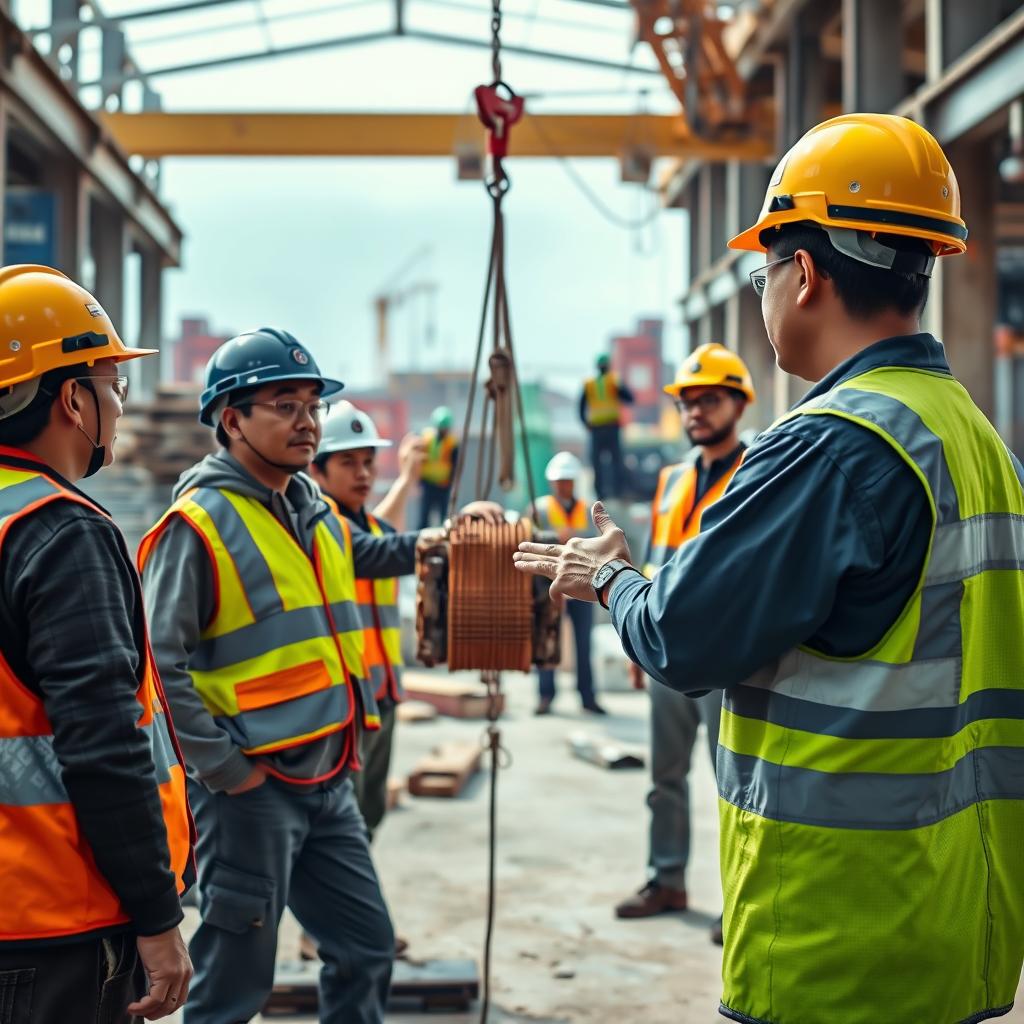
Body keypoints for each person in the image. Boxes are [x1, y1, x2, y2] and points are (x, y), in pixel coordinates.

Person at [515, 113, 1024, 1024]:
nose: (764, 292)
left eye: (764, 270)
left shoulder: (829, 448)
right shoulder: (977, 441)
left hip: (838, 937)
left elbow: (681, 637)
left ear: (807, 273)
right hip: (962, 924)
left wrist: (611, 578)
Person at [138, 328, 500, 1024]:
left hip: (329, 778)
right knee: (234, 985)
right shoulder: (199, 523)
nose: (307, 421)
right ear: (232, 419)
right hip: (252, 793)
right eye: (284, 404)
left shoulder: (315, 512)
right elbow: (160, 663)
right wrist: (223, 769)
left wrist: (443, 538)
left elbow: (368, 554)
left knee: (365, 950)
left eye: (312, 404)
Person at [0, 265, 194, 1023]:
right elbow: (104, 744)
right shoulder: (60, 531)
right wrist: (156, 915)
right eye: (111, 384)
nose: (119, 403)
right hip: (50, 929)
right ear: (71, 398)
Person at [615, 344, 753, 947]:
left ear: (739, 403)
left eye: (710, 399)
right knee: (663, 776)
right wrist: (636, 643)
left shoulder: (758, 472)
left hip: (725, 656)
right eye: (688, 401)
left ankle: (742, 902)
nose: (697, 410)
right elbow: (653, 566)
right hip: (667, 654)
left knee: (735, 785)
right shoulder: (671, 480)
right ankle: (666, 878)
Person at [309, 402, 424, 840]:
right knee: (344, 828)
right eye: (348, 462)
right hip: (346, 705)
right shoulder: (320, 527)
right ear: (318, 472)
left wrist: (411, 479)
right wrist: (452, 534)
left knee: (369, 818)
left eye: (369, 462)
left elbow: (384, 532)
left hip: (384, 696)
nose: (363, 474)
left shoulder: (371, 529)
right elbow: (385, 551)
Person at [528, 451, 604, 716]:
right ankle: (545, 695)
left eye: (568, 480)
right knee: (547, 639)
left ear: (574, 481)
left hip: (583, 585)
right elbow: (530, 542)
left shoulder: (588, 509)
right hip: (550, 586)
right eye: (560, 481)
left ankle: (587, 696)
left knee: (584, 643)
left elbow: (598, 545)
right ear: (552, 483)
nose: (564, 485)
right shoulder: (540, 509)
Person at [579, 353, 633, 500]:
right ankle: (617, 492)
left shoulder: (589, 383)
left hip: (597, 429)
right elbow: (629, 398)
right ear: (609, 366)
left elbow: (581, 406)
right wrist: (619, 386)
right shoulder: (613, 381)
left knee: (597, 463)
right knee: (616, 461)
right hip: (611, 428)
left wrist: (585, 423)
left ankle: (600, 494)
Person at [418, 405, 459, 528]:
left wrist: (452, 483)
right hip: (428, 484)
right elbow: (420, 460)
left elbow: (455, 465)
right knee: (424, 518)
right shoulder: (426, 439)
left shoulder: (452, 443)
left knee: (443, 518)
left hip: (443, 485)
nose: (444, 430)